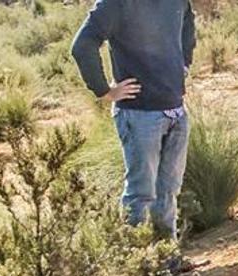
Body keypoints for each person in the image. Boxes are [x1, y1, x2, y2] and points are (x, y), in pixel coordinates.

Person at [71, 0, 196, 239]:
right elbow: (82, 45)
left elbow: (188, 23)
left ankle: (166, 257)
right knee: (141, 194)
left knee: (168, 190)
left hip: (176, 110)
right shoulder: (116, 3)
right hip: (139, 114)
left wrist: (184, 63)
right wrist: (104, 90)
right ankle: (137, 262)